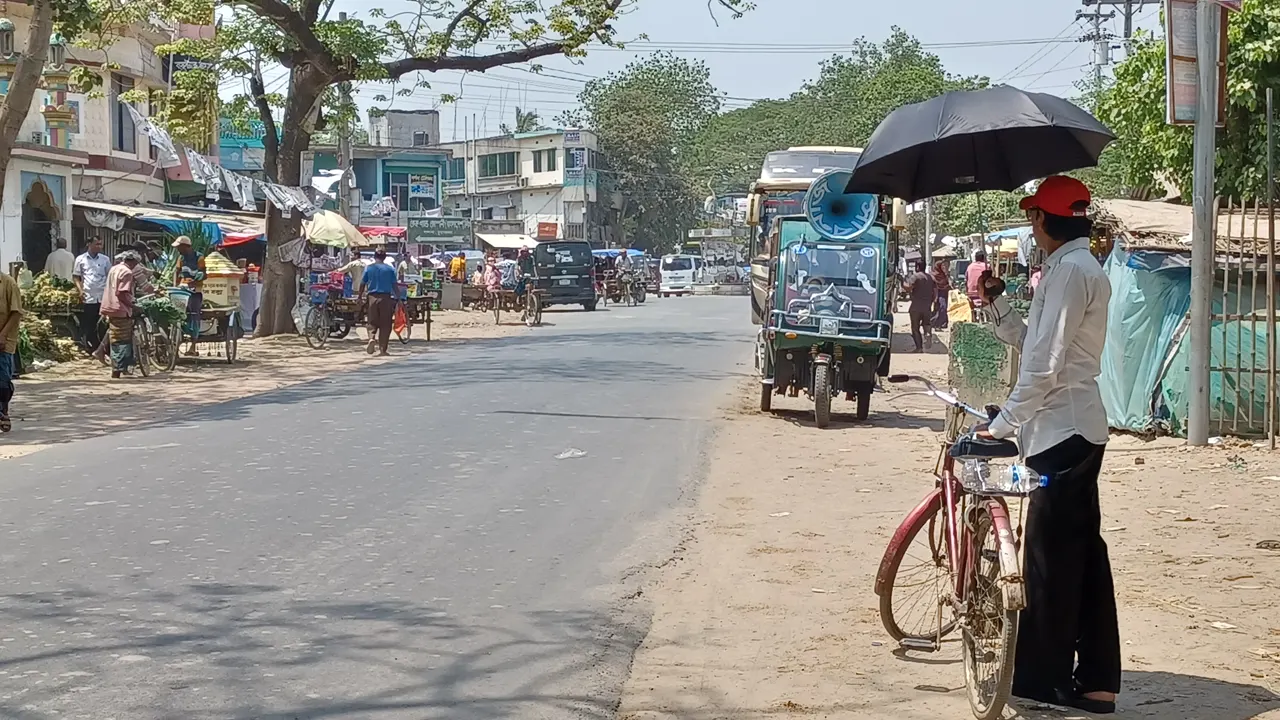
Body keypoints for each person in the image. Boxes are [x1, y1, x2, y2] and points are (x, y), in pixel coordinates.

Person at [975, 176, 1118, 715]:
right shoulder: (1070, 269)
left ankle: (1044, 681)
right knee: (1083, 559)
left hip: (1063, 432)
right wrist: (997, 305)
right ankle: (1098, 681)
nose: (1032, 227)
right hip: (1070, 429)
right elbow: (1032, 342)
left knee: (1048, 563)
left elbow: (1045, 365)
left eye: (1033, 217)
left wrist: (1003, 424)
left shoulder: (1071, 272)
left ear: (1041, 221)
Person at [100, 251, 140, 379]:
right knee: (122, 340)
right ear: (132, 262)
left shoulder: (114, 268)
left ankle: (117, 368)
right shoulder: (127, 272)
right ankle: (117, 369)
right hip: (120, 308)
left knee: (115, 338)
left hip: (109, 305)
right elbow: (122, 293)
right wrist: (132, 305)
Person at [72, 237, 111, 355]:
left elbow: (109, 276)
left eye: (100, 244)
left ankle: (103, 348)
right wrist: (80, 290)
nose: (99, 246)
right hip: (89, 297)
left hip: (103, 296)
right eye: (97, 244)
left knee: (103, 324)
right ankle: (91, 347)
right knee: (90, 324)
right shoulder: (81, 259)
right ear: (89, 244)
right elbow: (76, 277)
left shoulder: (105, 259)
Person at [359, 247, 398, 356]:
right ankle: (382, 349)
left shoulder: (368, 268)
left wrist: (359, 296)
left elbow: (362, 284)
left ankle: (371, 338)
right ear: (385, 257)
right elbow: (394, 285)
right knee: (385, 324)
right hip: (385, 298)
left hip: (372, 297)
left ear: (374, 257)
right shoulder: (390, 269)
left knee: (371, 321)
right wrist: (399, 298)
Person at [0, 268, 22, 432]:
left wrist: (3, 335)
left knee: (3, 381)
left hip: (4, 341)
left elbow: (16, 313)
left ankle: (3, 410)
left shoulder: (8, 283)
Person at [903, 260, 936, 352]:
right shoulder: (930, 278)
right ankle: (927, 333)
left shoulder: (915, 277)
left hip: (916, 307)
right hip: (927, 307)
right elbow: (935, 292)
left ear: (917, 267)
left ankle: (919, 348)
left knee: (915, 328)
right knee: (926, 324)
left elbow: (909, 288)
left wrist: (902, 283)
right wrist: (932, 301)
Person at [965, 249, 990, 321]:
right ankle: (987, 315)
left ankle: (973, 316)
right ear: (983, 258)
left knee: (971, 304)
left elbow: (966, 279)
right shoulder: (986, 266)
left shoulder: (970, 267)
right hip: (983, 293)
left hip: (971, 293)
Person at [931, 258, 952, 330]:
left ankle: (942, 323)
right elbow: (934, 286)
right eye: (942, 266)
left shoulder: (944, 274)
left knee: (943, 308)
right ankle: (937, 324)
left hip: (944, 292)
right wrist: (935, 296)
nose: (943, 267)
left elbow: (948, 283)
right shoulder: (934, 275)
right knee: (942, 307)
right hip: (937, 293)